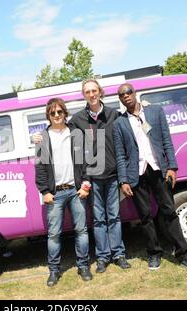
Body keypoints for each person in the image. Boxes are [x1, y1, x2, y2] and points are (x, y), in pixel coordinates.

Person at [113, 83, 187, 270]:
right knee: (145, 217)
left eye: (128, 92)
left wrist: (172, 167)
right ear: (120, 99)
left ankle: (184, 254)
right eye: (122, 95)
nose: (126, 96)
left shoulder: (155, 112)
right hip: (136, 174)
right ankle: (154, 253)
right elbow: (120, 155)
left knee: (169, 212)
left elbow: (167, 140)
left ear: (134, 93)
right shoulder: (119, 123)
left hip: (158, 169)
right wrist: (123, 180)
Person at [69, 79, 130, 273]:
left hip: (112, 176)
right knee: (98, 219)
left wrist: (143, 106)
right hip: (93, 178)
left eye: (94, 90)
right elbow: (60, 132)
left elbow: (133, 121)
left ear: (100, 92)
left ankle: (119, 254)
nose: (92, 94)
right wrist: (40, 136)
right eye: (87, 92)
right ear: (84, 95)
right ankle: (103, 257)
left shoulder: (114, 114)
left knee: (114, 216)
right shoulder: (77, 120)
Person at [35, 97, 93, 287]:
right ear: (48, 116)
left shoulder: (75, 133)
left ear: (65, 113)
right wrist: (44, 191)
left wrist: (85, 185)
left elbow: (86, 161)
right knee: (53, 234)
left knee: (81, 230)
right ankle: (54, 271)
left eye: (60, 112)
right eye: (53, 113)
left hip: (76, 191)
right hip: (55, 194)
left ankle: (83, 266)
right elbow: (40, 168)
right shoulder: (43, 138)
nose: (57, 115)